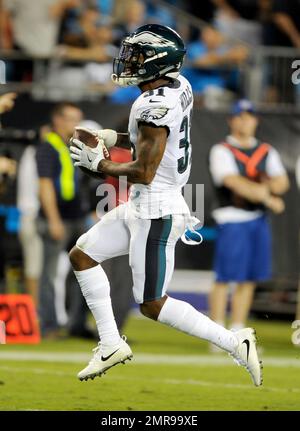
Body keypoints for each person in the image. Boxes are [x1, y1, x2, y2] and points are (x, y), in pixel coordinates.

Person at [68, 24, 263, 386]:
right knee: (82, 255)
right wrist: (117, 137)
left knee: (152, 304)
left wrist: (100, 165)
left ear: (158, 61)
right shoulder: (179, 86)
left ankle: (236, 343)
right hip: (147, 203)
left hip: (156, 209)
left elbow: (143, 170)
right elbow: (154, 138)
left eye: (138, 55)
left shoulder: (153, 104)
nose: (130, 61)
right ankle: (110, 343)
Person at [209, 99, 290, 342]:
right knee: (225, 277)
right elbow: (233, 182)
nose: (245, 121)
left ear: (256, 120)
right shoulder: (221, 150)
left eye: (249, 117)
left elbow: (282, 182)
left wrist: (264, 190)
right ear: (231, 120)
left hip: (257, 219)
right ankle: (217, 331)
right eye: (240, 117)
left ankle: (237, 327)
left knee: (249, 278)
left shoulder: (265, 150)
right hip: (232, 218)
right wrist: (267, 195)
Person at [36, 102, 92, 338]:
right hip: (57, 219)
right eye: (71, 119)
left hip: (78, 217)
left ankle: (76, 324)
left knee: (85, 271)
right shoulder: (48, 147)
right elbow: (45, 185)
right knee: (48, 274)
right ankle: (49, 326)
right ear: (58, 120)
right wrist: (54, 219)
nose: (76, 125)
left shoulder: (76, 146)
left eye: (78, 119)